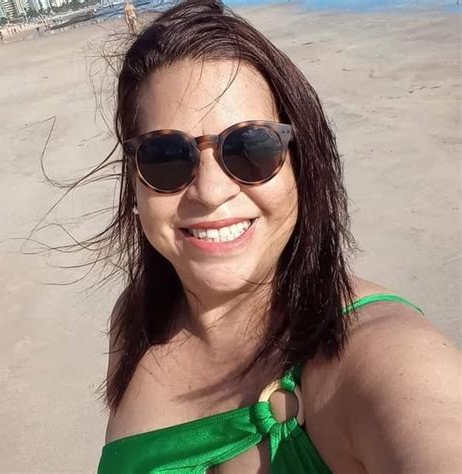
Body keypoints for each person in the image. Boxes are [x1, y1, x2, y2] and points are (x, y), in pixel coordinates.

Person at [96, 1, 460, 472]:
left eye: (251, 148)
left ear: (301, 166)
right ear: (135, 182)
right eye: (166, 156)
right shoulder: (136, 320)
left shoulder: (379, 355)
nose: (211, 191)